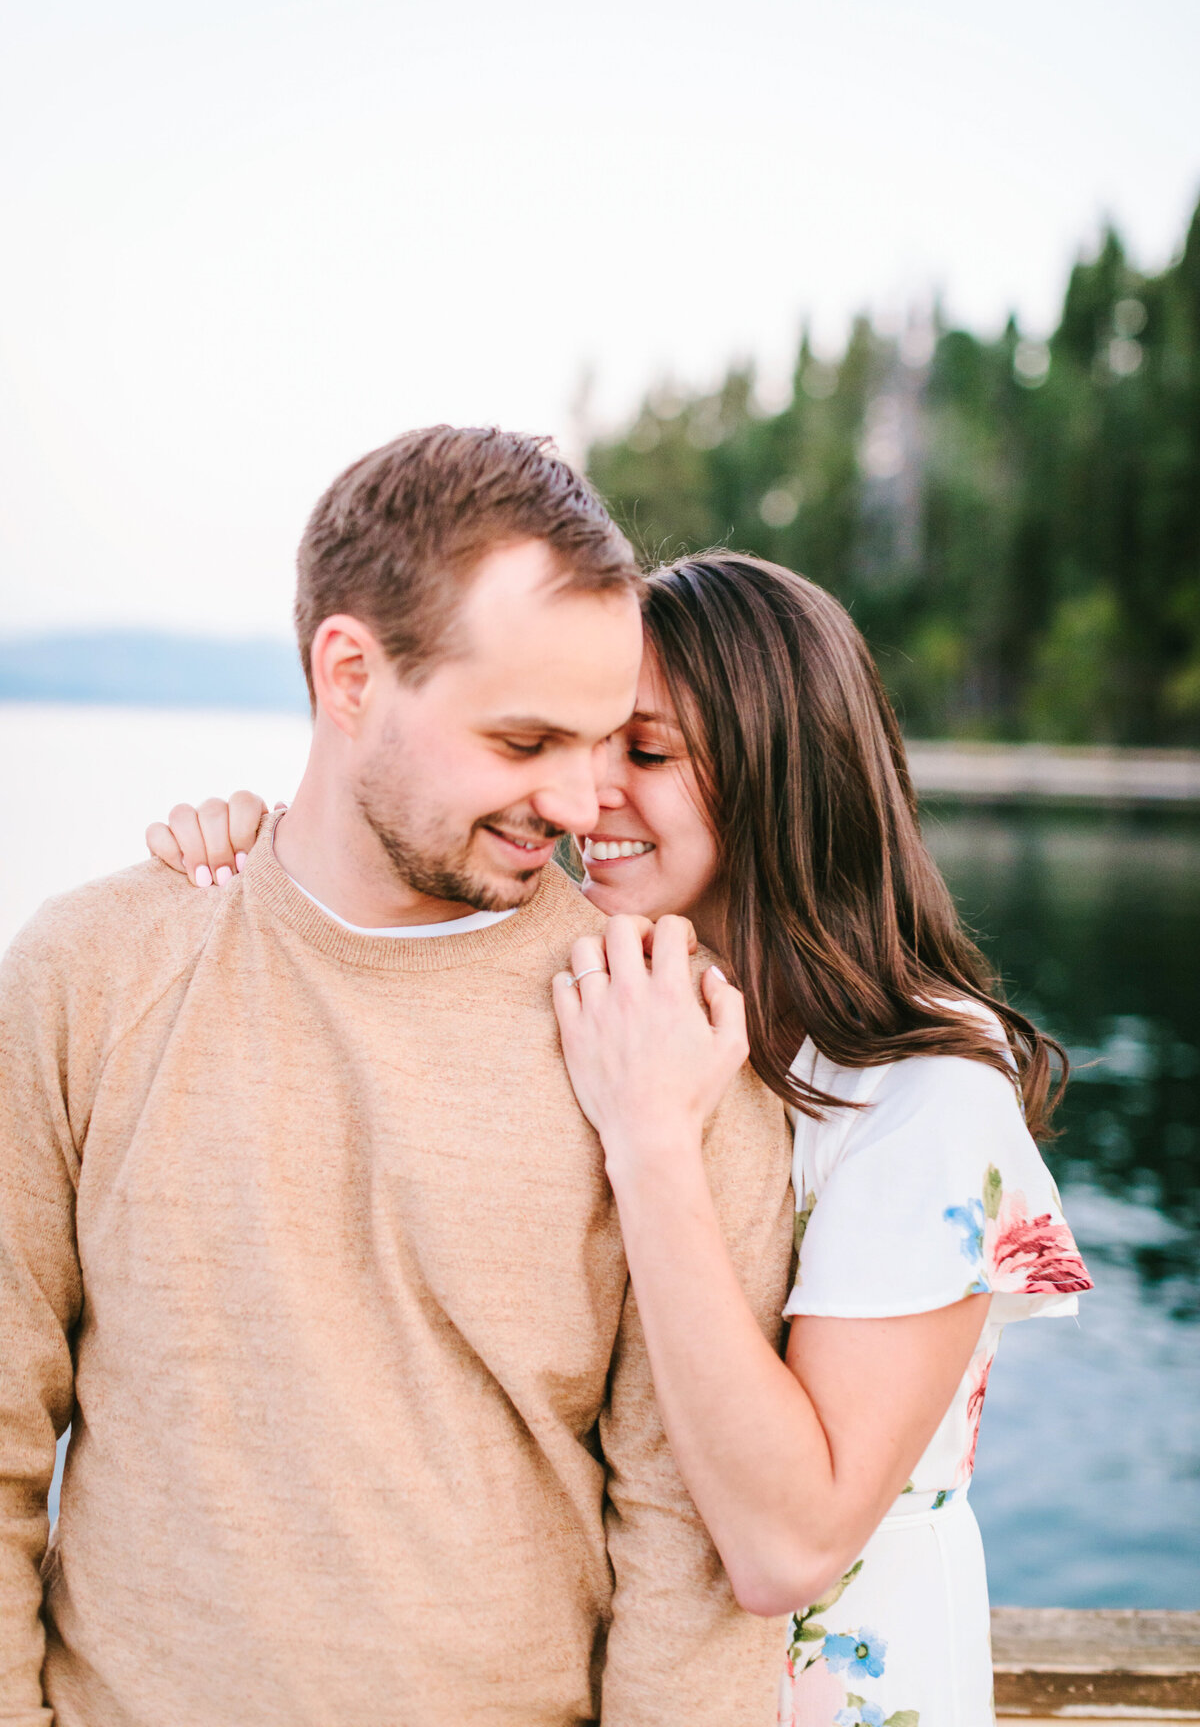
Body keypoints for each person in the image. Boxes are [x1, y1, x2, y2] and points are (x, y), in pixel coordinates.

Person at [159, 549, 1093, 1727]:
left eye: (641, 753)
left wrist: (654, 1145)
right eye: (574, 744)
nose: (583, 796)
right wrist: (262, 862)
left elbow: (785, 1546)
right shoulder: (619, 992)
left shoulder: (924, 1094)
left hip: (818, 1687)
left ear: (780, 775)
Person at [0, 430, 797, 1727]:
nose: (583, 801)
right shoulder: (89, 972)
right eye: (526, 738)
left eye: (603, 742)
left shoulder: (664, 1039)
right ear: (351, 674)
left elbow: (688, 1573)